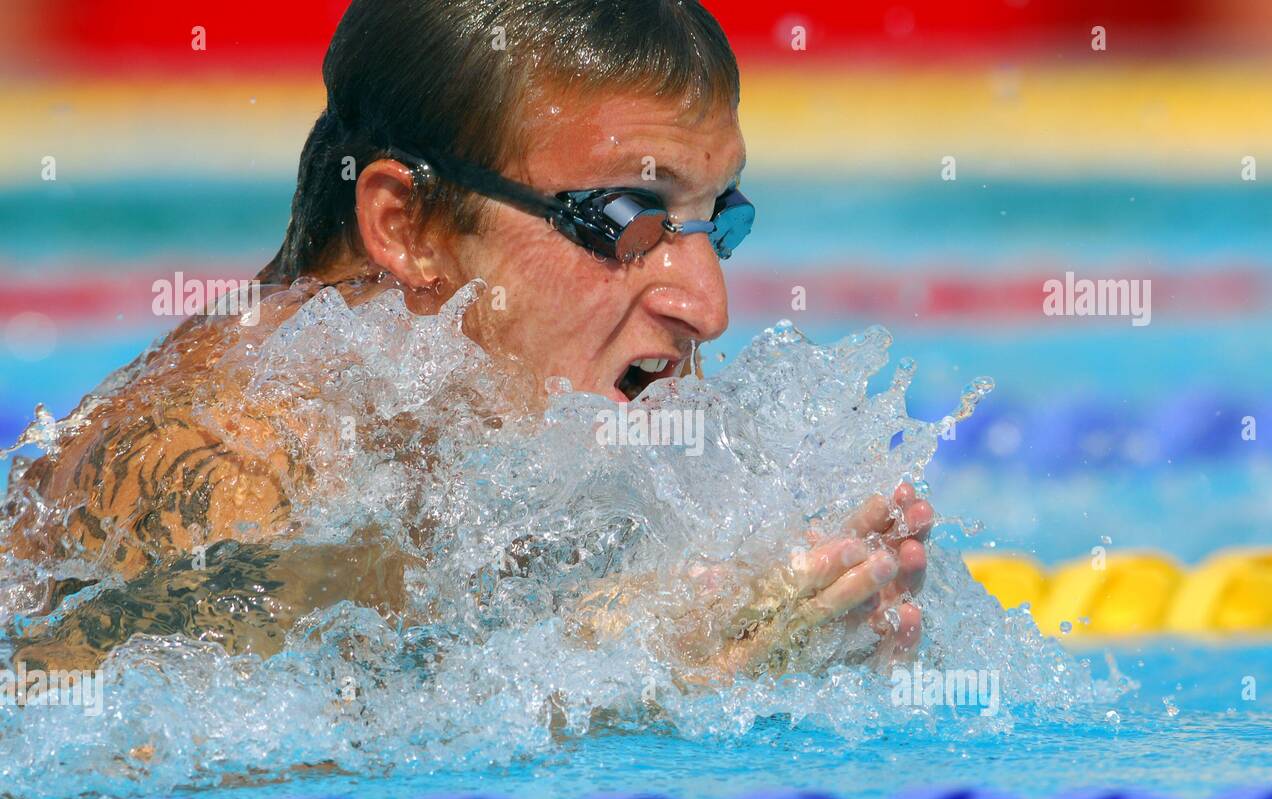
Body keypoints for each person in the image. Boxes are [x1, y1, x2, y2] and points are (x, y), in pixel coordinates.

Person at [2, 0, 930, 679]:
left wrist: (777, 616)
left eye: (714, 218)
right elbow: (166, 772)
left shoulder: (478, 408)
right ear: (405, 227)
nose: (707, 303)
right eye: (626, 217)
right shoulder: (216, 463)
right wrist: (619, 669)